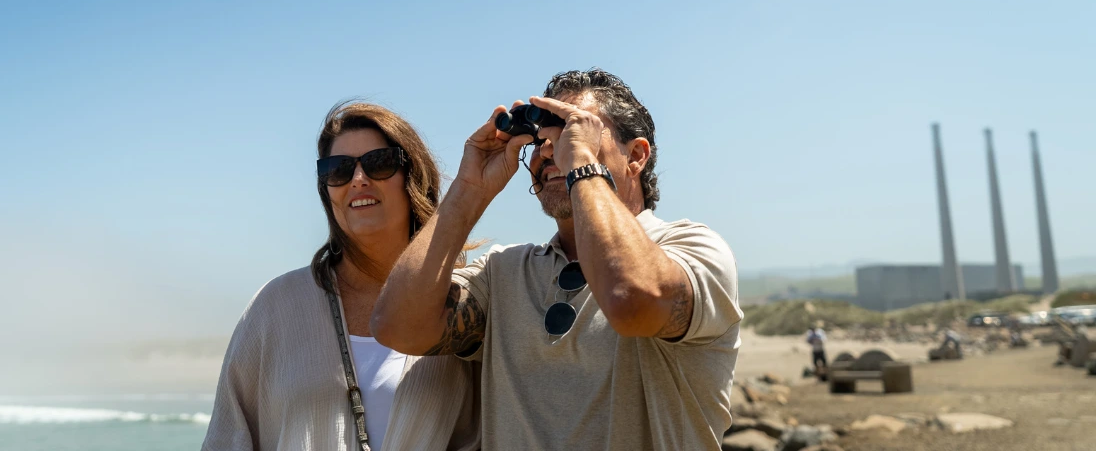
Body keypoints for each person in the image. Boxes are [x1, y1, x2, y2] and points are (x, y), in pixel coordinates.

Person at [372, 69, 742, 450]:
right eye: (541, 138)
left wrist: (580, 161)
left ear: (635, 156)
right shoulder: (504, 273)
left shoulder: (693, 250)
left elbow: (631, 298)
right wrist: (469, 190)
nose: (549, 149)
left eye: (570, 130)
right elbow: (396, 326)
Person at [202, 102, 480, 451]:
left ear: (412, 177)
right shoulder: (275, 308)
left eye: (379, 162)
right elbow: (227, 438)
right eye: (339, 169)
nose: (359, 179)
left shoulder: (464, 303)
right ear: (327, 189)